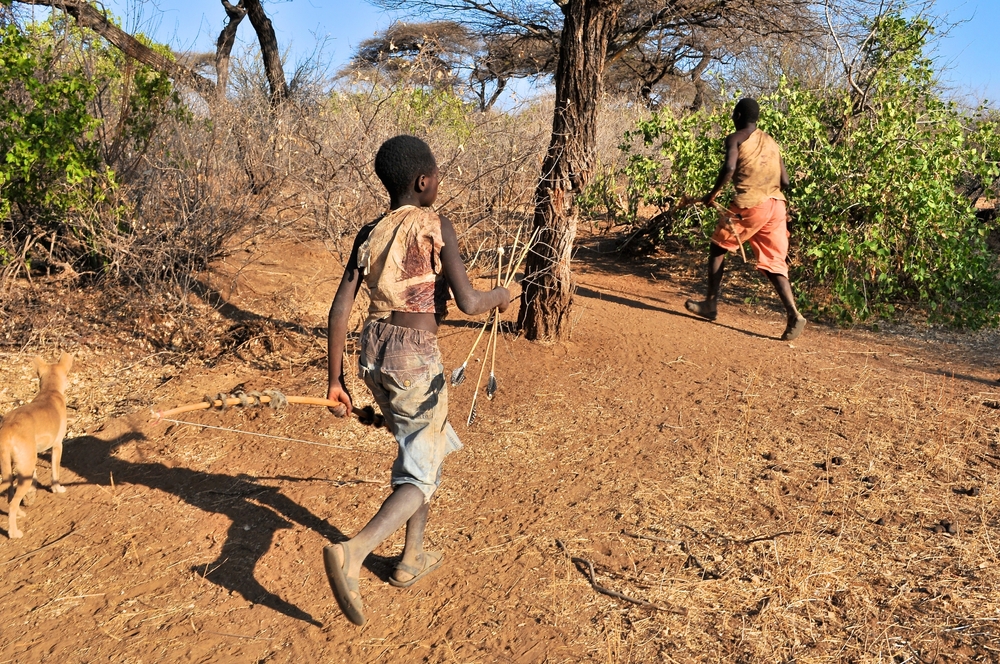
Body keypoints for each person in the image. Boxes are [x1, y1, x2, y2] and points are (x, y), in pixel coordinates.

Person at [323, 135, 510, 626]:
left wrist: (336, 379)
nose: (439, 183)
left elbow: (340, 309)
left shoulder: (371, 230)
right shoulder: (435, 225)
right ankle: (354, 552)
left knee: (417, 451)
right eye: (437, 176)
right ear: (423, 181)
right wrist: (504, 294)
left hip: (373, 353)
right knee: (420, 469)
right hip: (413, 359)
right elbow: (470, 303)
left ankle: (411, 558)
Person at [684, 98, 807, 341]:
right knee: (774, 262)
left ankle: (710, 304)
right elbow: (786, 182)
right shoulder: (771, 142)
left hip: (751, 205)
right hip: (777, 206)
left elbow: (729, 169)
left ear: (737, 115)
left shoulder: (735, 138)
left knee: (718, 246)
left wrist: (712, 194)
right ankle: (793, 313)